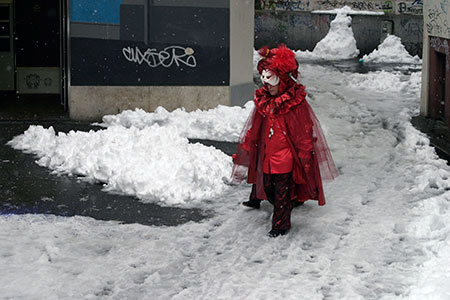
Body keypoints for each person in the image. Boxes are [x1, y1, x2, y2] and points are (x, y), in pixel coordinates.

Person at [231, 45, 338, 237]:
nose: (267, 84)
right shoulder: (264, 101)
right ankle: (288, 202)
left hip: (285, 158)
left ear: (284, 78)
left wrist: (305, 157)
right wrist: (246, 148)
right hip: (268, 156)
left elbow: (303, 133)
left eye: (271, 79)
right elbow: (255, 128)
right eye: (264, 78)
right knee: (269, 188)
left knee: (281, 193)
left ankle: (280, 225)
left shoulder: (294, 103)